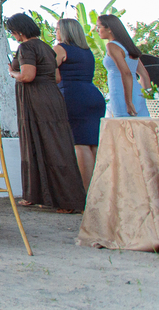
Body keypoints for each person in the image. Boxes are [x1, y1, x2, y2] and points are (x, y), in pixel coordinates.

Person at [6, 13, 87, 213]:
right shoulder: (46, 47)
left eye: (13, 32)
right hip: (52, 96)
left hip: (36, 100)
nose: (13, 36)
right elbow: (56, 77)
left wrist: (12, 72)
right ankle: (48, 197)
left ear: (19, 31)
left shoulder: (26, 47)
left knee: (43, 145)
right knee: (55, 144)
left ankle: (67, 201)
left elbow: (27, 76)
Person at [52, 18, 105, 189]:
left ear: (65, 31)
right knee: (93, 143)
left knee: (80, 143)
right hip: (93, 94)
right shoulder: (87, 51)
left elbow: (52, 75)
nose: (55, 32)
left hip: (73, 95)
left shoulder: (60, 49)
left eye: (57, 29)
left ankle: (86, 191)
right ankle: (99, 191)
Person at [96, 14, 150, 117]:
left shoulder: (112, 46)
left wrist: (128, 102)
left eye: (99, 27)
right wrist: (149, 97)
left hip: (121, 93)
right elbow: (144, 75)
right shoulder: (128, 46)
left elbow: (126, 73)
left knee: (123, 124)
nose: (97, 30)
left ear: (109, 28)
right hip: (137, 92)